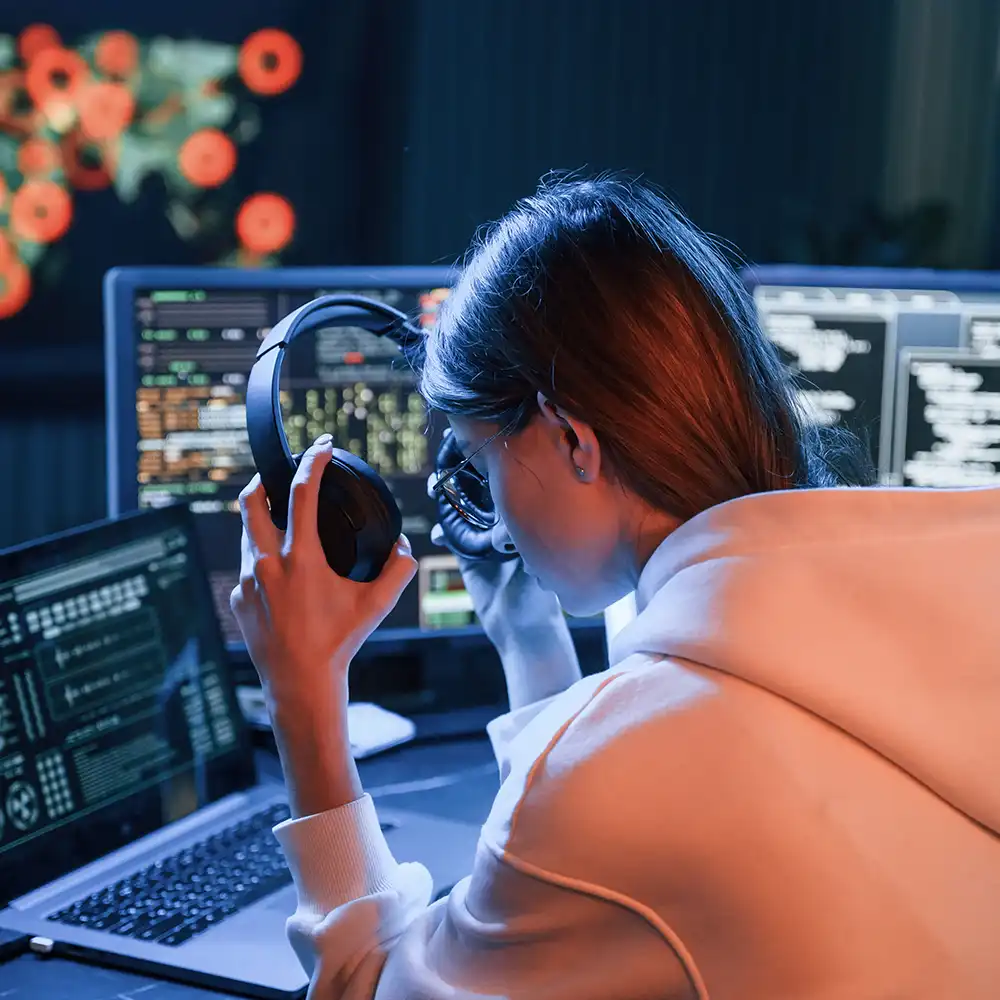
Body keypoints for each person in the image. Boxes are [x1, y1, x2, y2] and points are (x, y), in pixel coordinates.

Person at [230, 172, 1000, 999]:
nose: (496, 519)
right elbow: (571, 901)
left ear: (573, 442)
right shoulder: (939, 590)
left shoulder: (623, 769)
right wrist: (530, 641)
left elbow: (378, 989)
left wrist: (305, 703)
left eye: (486, 463)